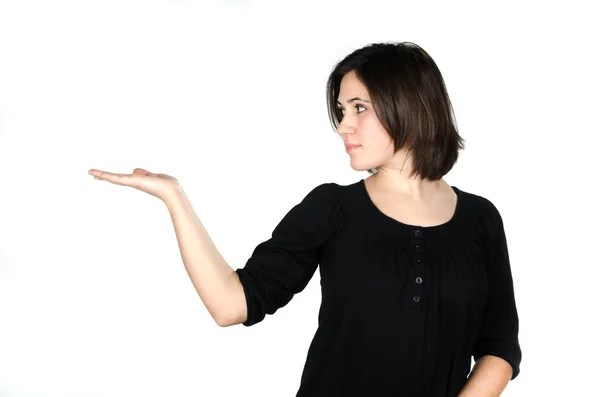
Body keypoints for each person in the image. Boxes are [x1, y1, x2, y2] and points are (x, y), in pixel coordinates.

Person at [88, 41, 522, 397]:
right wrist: (174, 196)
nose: (342, 126)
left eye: (358, 108)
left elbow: (499, 348)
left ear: (406, 104)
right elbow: (231, 304)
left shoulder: (480, 220)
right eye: (340, 110)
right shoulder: (332, 208)